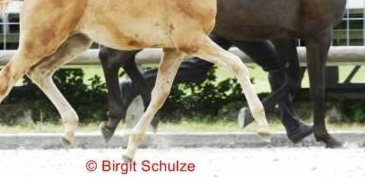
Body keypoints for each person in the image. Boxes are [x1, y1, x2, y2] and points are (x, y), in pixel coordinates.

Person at [119, 32, 314, 143]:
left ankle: (133, 85)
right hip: (240, 23)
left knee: (198, 68)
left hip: (225, 21)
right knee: (276, 65)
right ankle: (292, 126)